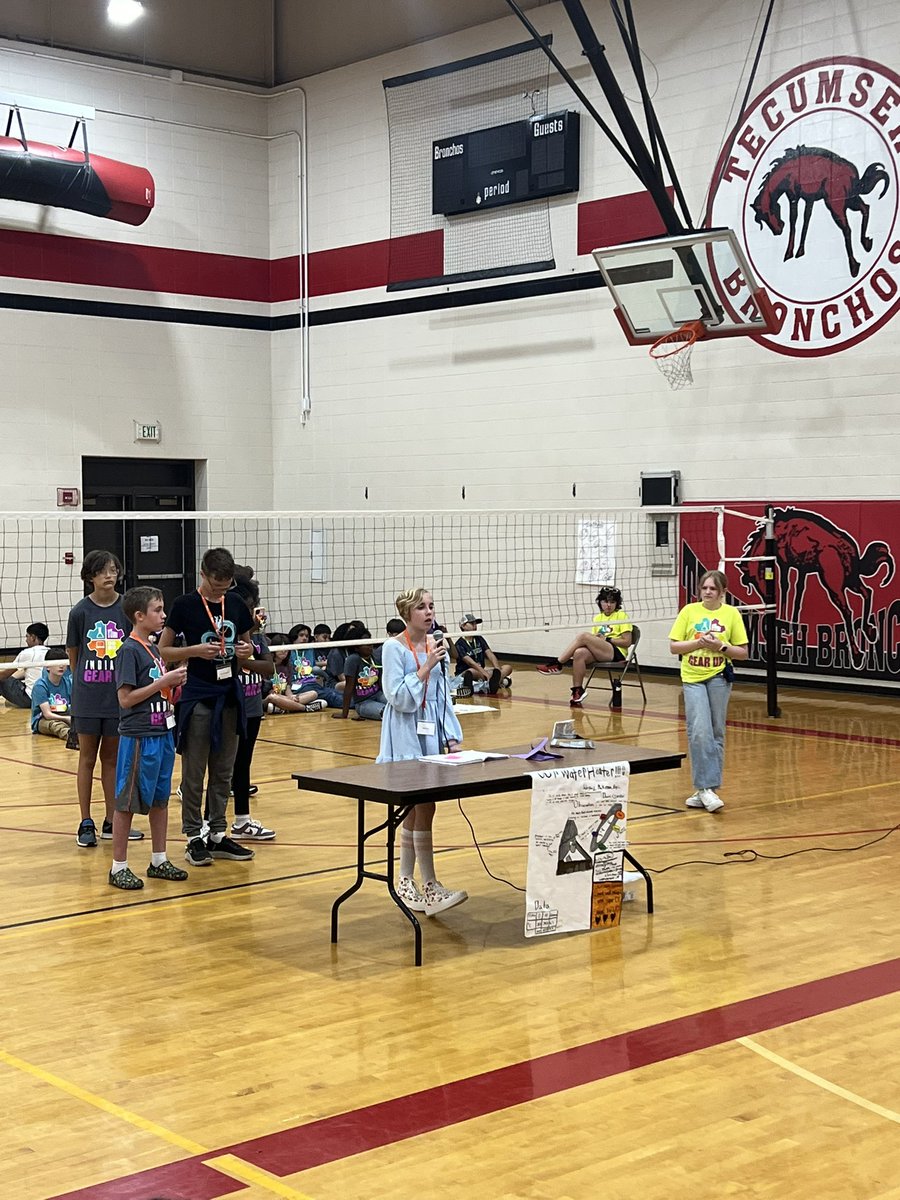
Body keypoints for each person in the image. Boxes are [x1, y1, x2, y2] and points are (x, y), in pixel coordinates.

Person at [158, 547, 256, 866]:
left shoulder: (237, 603)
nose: (220, 591)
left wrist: (246, 649)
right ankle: (192, 836)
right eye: (215, 586)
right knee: (194, 770)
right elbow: (164, 650)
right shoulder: (184, 605)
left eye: (225, 587)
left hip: (229, 694)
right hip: (198, 695)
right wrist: (195, 650)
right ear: (203, 574)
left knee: (223, 771)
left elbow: (248, 643)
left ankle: (217, 834)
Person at [378, 587, 467, 918]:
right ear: (407, 614)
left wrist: (453, 737)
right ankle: (416, 882)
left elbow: (443, 696)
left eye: (431, 607)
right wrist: (425, 666)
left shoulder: (435, 645)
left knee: (425, 806)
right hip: (404, 732)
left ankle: (417, 883)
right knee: (416, 804)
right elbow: (397, 698)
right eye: (421, 608)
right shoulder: (393, 648)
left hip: (430, 730)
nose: (429, 613)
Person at [108, 587, 189, 890]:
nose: (163, 615)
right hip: (139, 737)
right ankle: (118, 867)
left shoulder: (153, 649)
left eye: (163, 608)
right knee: (127, 802)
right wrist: (162, 682)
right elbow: (126, 699)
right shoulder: (129, 650)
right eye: (157, 610)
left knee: (160, 800)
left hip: (162, 732)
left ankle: (158, 859)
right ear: (139, 616)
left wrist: (174, 685)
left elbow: (159, 692)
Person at [67, 550, 143, 849]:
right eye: (103, 571)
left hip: (118, 699)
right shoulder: (80, 612)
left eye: (113, 570)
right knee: (87, 759)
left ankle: (112, 821)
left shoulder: (127, 608)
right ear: (90, 577)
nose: (109, 575)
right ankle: (86, 821)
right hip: (88, 697)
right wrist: (83, 686)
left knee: (111, 760)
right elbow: (75, 654)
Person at [669, 569, 749, 813]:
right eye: (704, 588)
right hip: (692, 678)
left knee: (716, 732)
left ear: (722, 592)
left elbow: (743, 652)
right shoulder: (689, 612)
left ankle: (707, 789)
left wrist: (720, 646)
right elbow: (674, 647)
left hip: (719, 678)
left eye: (713, 588)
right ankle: (706, 788)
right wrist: (698, 643)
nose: (707, 592)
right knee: (699, 731)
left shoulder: (731, 614)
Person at [230, 575, 276, 840]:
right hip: (231, 708)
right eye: (245, 607)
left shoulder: (257, 638)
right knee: (224, 763)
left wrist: (247, 659)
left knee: (244, 763)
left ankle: (242, 820)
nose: (249, 612)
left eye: (252, 607)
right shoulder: (227, 636)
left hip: (252, 709)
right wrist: (243, 659)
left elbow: (268, 668)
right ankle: (207, 824)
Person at [537, 586, 633, 709]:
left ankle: (558, 663)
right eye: (605, 601)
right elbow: (596, 639)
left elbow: (627, 642)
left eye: (612, 602)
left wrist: (608, 639)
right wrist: (597, 639)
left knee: (583, 636)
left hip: (616, 653)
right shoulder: (598, 618)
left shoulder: (621, 616)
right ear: (600, 602)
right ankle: (578, 691)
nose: (608, 605)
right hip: (602, 651)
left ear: (617, 603)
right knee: (579, 653)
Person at [333, 627, 387, 721]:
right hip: (363, 702)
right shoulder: (353, 660)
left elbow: (381, 681)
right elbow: (349, 687)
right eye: (366, 644)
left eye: (370, 642)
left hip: (378, 694)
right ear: (356, 647)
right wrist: (344, 714)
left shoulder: (375, 657)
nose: (370, 645)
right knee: (386, 712)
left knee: (398, 706)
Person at [265, 634, 329, 713]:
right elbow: (268, 690)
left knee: (314, 693)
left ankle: (283, 708)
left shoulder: (288, 665)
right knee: (273, 697)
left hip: (285, 697)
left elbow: (287, 687)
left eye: (286, 649)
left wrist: (291, 697)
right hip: (272, 696)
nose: (283, 651)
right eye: (280, 648)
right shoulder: (267, 665)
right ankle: (306, 708)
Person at [455, 613, 513, 695]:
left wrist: (497, 670)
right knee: (471, 671)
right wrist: (485, 673)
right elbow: (470, 663)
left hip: (481, 672)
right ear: (463, 626)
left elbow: (490, 654)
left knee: (508, 667)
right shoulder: (459, 644)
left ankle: (492, 682)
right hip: (466, 672)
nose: (475, 626)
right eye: (472, 623)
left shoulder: (479, 638)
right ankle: (494, 683)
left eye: (475, 624)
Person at [0, 622, 50, 709]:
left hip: (29, 700)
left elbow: (4, 675)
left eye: (27, 636)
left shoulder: (27, 653)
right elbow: (23, 672)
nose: (26, 640)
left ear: (33, 637)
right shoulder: (51, 652)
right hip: (48, 699)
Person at [30, 646, 72, 739]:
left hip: (65, 715)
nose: (61, 666)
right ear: (47, 666)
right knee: (56, 726)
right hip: (43, 719)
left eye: (64, 663)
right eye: (57, 663)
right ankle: (72, 738)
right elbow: (47, 714)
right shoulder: (40, 686)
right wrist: (67, 719)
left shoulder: (68, 683)